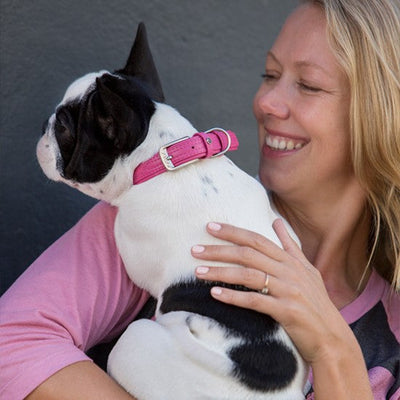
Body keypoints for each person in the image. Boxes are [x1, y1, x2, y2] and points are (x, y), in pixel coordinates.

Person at [0, 0, 399, 399]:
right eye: (270, 74)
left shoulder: (391, 347)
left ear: (383, 116)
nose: (265, 102)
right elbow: (13, 342)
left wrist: (336, 350)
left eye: (308, 85)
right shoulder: (157, 216)